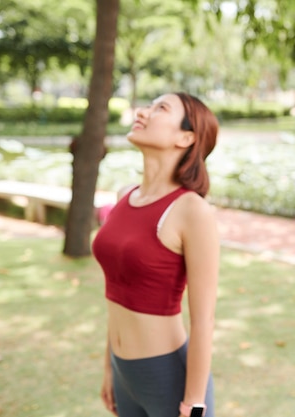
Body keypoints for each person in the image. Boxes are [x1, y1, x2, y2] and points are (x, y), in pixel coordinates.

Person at [92, 92, 220, 417]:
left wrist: (194, 404)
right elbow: (118, 293)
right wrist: (110, 368)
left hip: (169, 378)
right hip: (124, 373)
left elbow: (203, 320)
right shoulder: (125, 196)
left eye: (160, 108)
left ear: (186, 137)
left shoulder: (192, 211)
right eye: (148, 105)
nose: (143, 112)